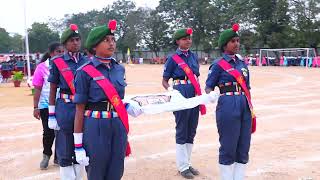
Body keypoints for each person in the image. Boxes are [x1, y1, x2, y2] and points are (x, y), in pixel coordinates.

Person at [73, 20, 142, 180]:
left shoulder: (120, 68)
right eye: (106, 40)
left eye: (113, 40)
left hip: (118, 125)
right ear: (95, 46)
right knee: (97, 171)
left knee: (116, 170)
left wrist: (127, 105)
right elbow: (79, 109)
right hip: (95, 125)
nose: (111, 43)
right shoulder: (84, 72)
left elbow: (116, 98)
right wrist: (78, 145)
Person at [205, 24, 256, 180]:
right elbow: (208, 87)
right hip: (227, 105)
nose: (237, 44)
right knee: (228, 145)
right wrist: (212, 94)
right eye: (233, 41)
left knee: (243, 146)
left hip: (244, 104)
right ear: (225, 44)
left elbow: (247, 87)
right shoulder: (218, 65)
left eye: (238, 40)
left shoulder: (242, 63)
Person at [162, 28, 206, 179]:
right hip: (180, 93)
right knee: (182, 129)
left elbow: (196, 76)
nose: (188, 40)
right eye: (184, 38)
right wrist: (172, 91)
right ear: (178, 41)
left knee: (191, 130)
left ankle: (187, 163)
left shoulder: (193, 56)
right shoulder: (173, 58)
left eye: (189, 38)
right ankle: (182, 167)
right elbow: (164, 81)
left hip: (194, 93)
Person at [48, 24, 88, 179]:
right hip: (65, 107)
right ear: (65, 44)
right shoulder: (57, 62)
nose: (76, 43)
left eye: (78, 39)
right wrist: (51, 114)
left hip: (83, 107)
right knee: (65, 146)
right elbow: (52, 89)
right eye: (72, 40)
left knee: (81, 145)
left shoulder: (86, 60)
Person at [32, 42, 64, 169]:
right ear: (51, 54)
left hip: (63, 104)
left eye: (63, 52)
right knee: (48, 132)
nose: (61, 54)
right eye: (58, 52)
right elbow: (38, 89)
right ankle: (46, 155)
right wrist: (36, 107)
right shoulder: (41, 68)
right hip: (46, 106)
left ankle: (59, 156)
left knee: (62, 132)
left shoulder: (67, 67)